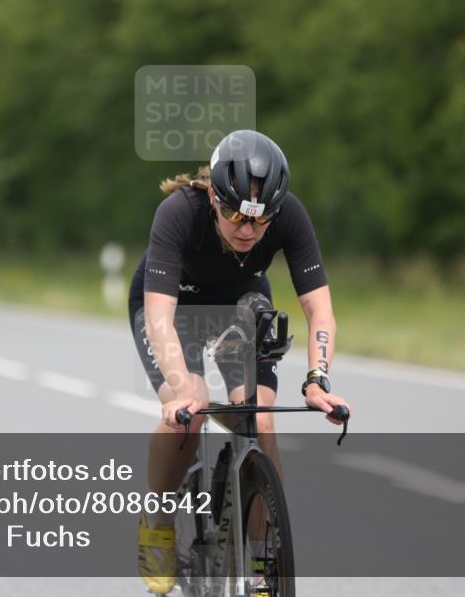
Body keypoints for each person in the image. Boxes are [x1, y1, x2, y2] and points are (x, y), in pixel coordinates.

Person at [128, 129, 351, 593]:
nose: (247, 230)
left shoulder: (291, 214)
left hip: (241, 305)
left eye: (261, 219)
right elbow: (159, 319)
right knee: (192, 410)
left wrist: (317, 379)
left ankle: (264, 557)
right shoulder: (179, 213)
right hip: (176, 308)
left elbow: (319, 309)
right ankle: (159, 518)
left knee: (260, 420)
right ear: (214, 196)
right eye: (234, 215)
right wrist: (180, 393)